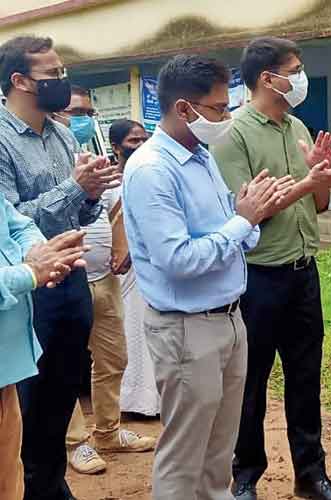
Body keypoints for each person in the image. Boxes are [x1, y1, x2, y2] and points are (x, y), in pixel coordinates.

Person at [122, 54, 292, 500]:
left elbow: (231, 229)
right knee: (185, 456)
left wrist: (248, 217)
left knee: (219, 452)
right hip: (185, 328)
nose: (227, 118)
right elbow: (178, 258)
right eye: (218, 108)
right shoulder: (151, 170)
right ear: (183, 109)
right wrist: (243, 221)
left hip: (228, 319)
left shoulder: (201, 155)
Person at [210, 37, 331, 500]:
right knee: (250, 381)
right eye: (295, 68)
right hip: (258, 276)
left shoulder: (298, 128)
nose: (301, 76)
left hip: (303, 271)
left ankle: (311, 474)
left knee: (306, 377)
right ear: (268, 78)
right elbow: (247, 212)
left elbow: (321, 203)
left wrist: (322, 177)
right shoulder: (234, 133)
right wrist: (308, 182)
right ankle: (245, 475)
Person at [0, 35, 119, 500]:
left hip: (71, 277)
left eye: (62, 72)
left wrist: (89, 194)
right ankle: (26, 483)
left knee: (63, 389)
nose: (62, 82)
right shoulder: (3, 139)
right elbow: (10, 220)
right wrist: (75, 188)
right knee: (26, 399)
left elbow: (77, 214)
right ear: (19, 81)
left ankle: (50, 480)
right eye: (52, 75)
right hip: (25, 288)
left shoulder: (63, 133)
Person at [62, 90, 156, 477]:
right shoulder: (53, 158)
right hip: (66, 278)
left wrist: (120, 243)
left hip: (104, 278)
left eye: (88, 111)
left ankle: (107, 431)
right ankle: (75, 443)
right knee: (66, 364)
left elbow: (117, 207)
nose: (82, 118)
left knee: (113, 358)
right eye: (75, 112)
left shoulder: (98, 153)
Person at [0, 213, 89, 500]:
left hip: (7, 371)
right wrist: (30, 272)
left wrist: (44, 255)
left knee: (10, 485)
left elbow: (19, 224)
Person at [107, 120, 157, 418]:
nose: (139, 146)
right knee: (128, 331)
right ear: (116, 147)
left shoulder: (151, 176)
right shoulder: (109, 184)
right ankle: (130, 401)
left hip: (148, 269)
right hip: (122, 274)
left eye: (143, 140)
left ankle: (154, 401)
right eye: (133, 141)